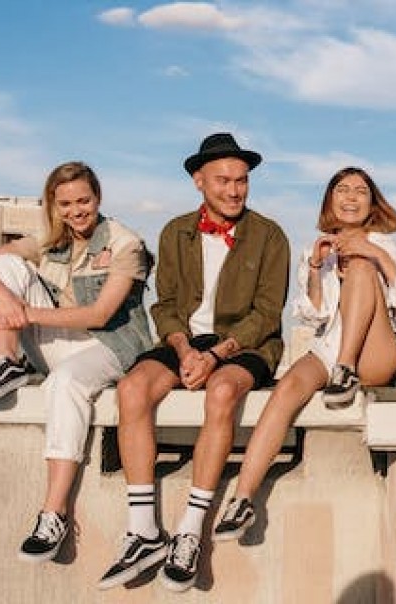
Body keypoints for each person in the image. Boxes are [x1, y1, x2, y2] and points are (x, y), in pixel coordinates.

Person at [97, 133, 290, 593]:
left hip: (246, 344)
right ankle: (143, 530)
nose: (234, 190)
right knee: (131, 389)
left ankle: (190, 530)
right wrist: (185, 351)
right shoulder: (174, 230)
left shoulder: (270, 235)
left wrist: (215, 354)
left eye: (241, 180)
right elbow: (164, 306)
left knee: (222, 391)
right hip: (188, 341)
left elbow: (266, 313)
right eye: (223, 180)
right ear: (198, 181)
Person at [0, 161, 152, 563]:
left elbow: (99, 316)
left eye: (83, 200)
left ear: (98, 197)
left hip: (111, 347)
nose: (76, 211)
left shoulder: (124, 243)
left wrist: (24, 315)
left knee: (66, 382)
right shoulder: (51, 241)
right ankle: (6, 362)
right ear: (54, 204)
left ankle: (53, 513)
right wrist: (7, 299)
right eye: (65, 203)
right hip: (61, 341)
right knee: (5, 266)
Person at [212, 166, 396, 540]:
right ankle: (243, 499)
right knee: (287, 390)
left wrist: (372, 254)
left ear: (372, 203)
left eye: (361, 191)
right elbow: (314, 314)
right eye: (342, 189)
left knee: (362, 269)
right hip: (328, 348)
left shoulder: (384, 244)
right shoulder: (316, 249)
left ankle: (346, 369)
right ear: (330, 200)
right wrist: (317, 267)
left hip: (373, 351)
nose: (351, 197)